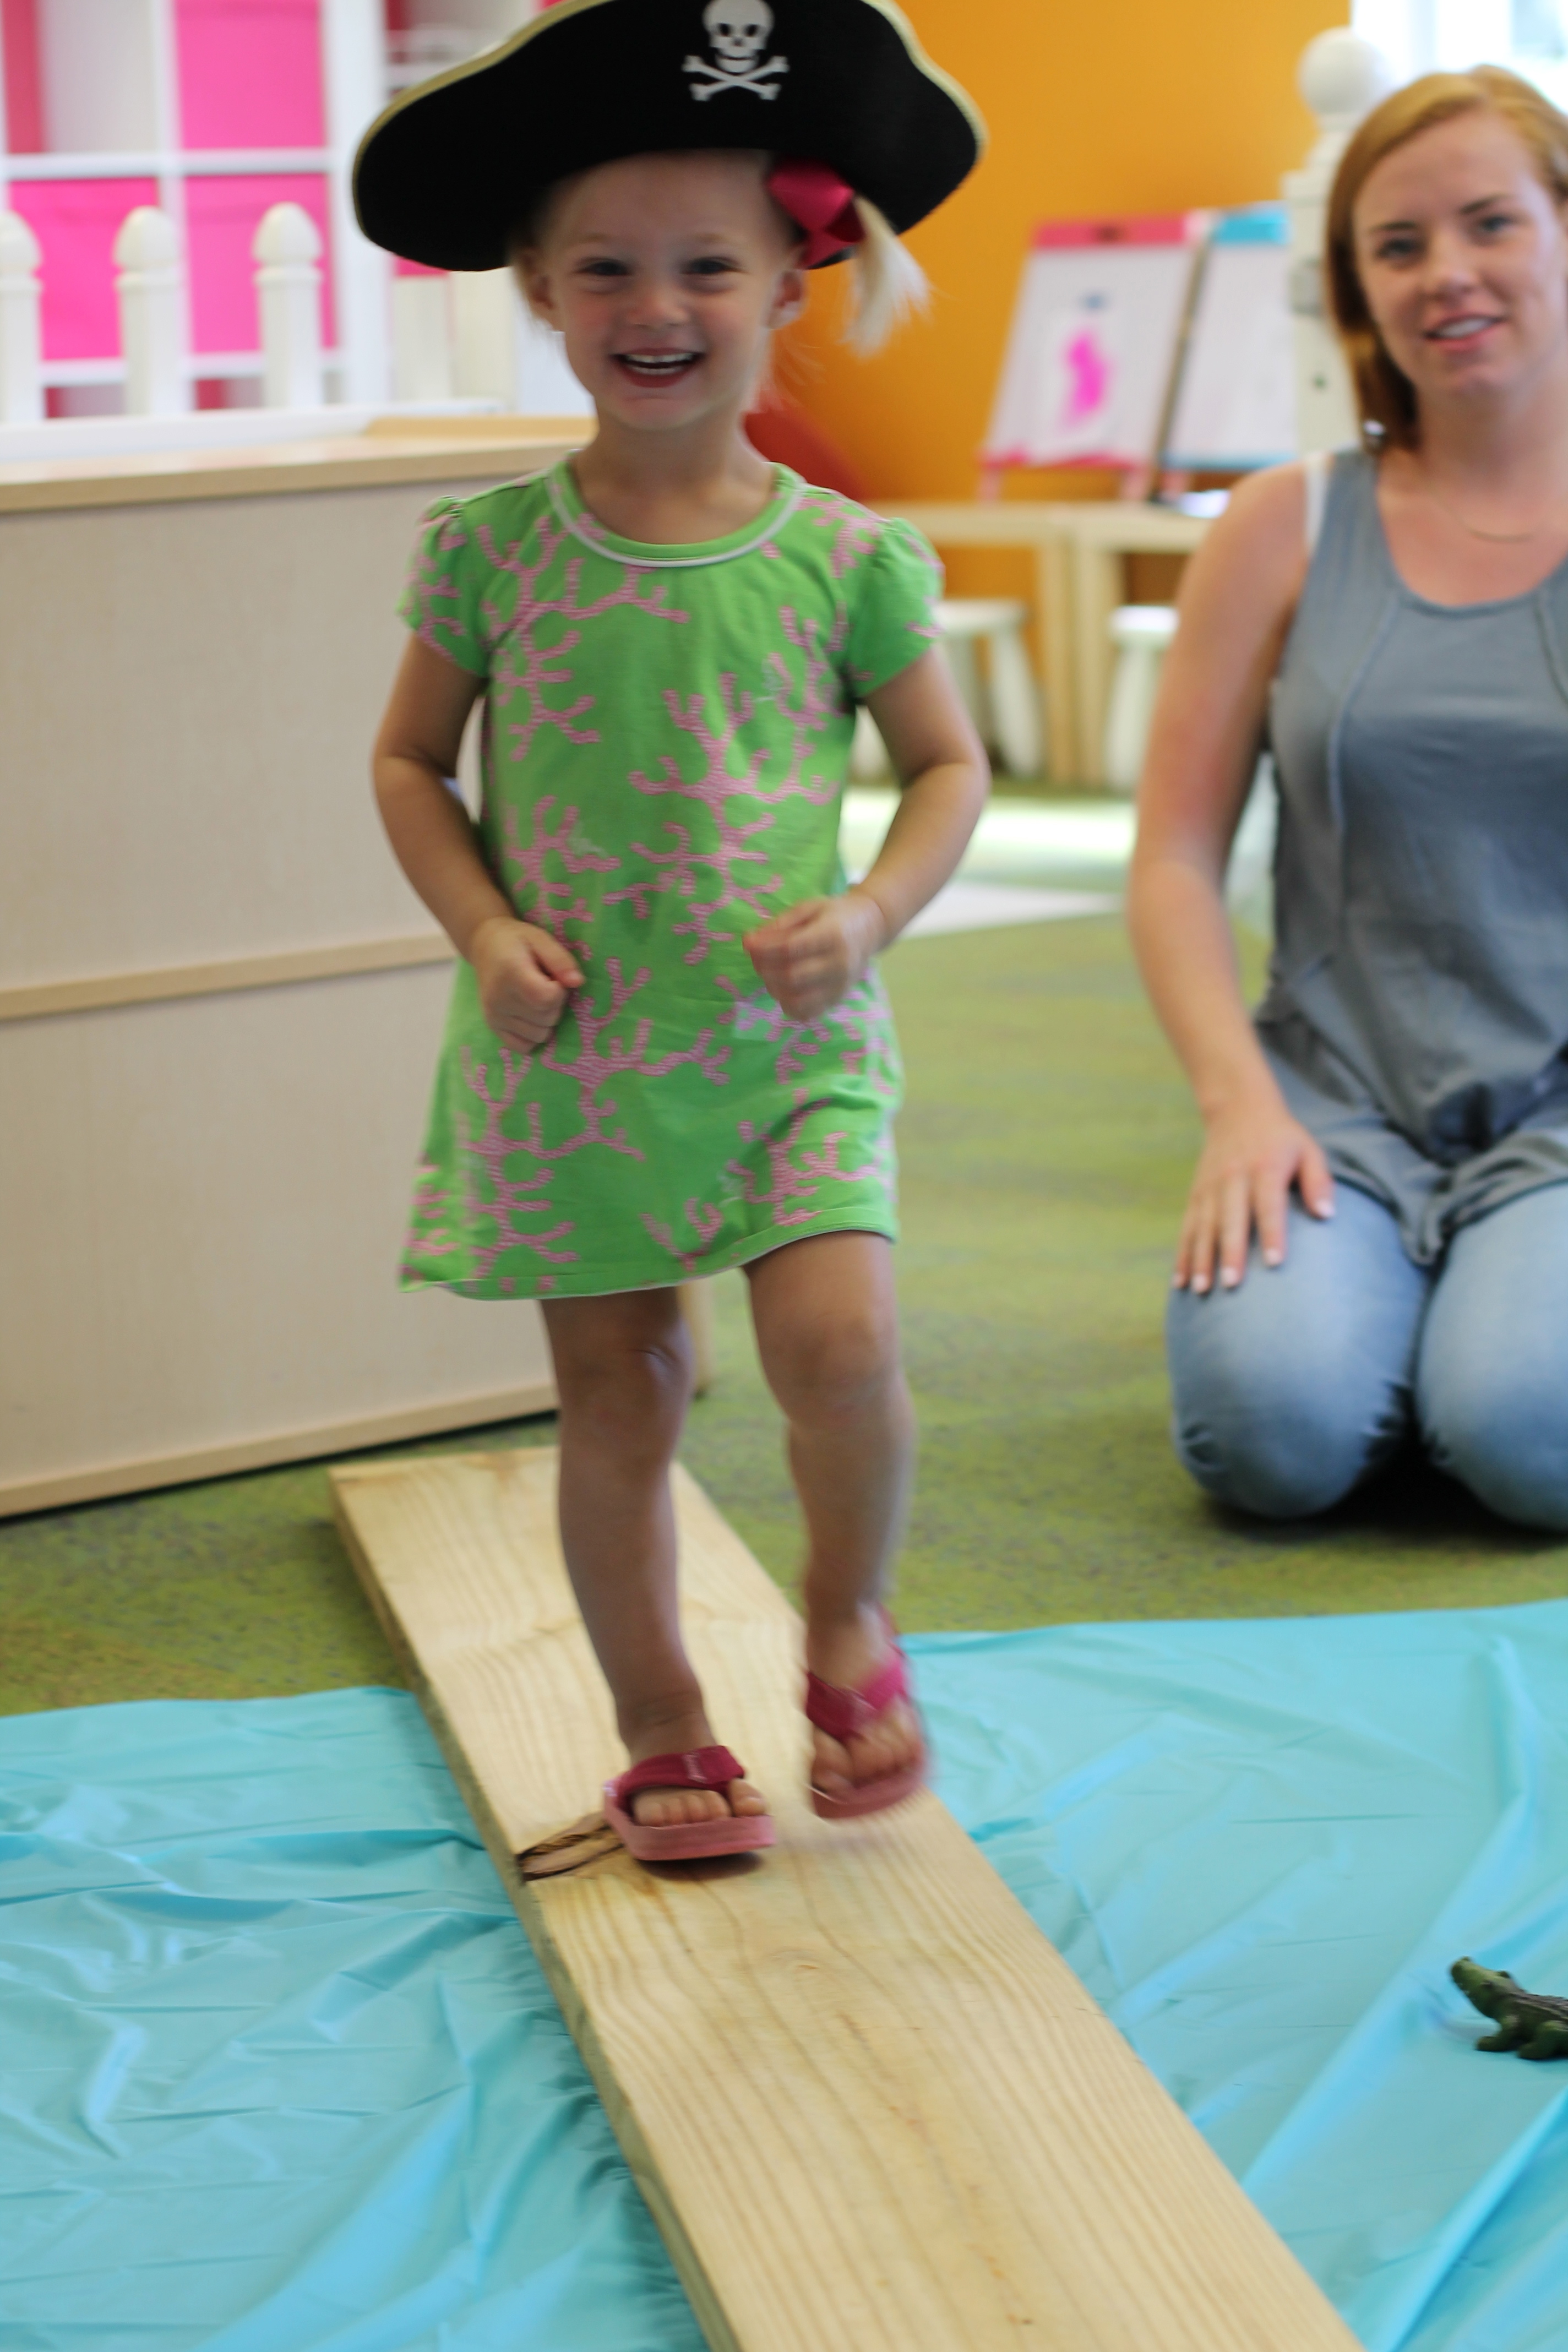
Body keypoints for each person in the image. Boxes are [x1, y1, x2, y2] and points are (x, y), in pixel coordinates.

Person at [357, 0, 989, 1859]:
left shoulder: (847, 560)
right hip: (577, 1058)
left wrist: (872, 911)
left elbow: (948, 770)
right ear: (541, 291)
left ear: (790, 279)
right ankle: (658, 1724)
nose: (659, 305)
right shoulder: (490, 552)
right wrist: (482, 929)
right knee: (622, 1390)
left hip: (793, 1047)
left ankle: (848, 1621)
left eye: (707, 264)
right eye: (608, 267)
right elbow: (408, 764)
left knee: (842, 1347)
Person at [1128, 66, 1568, 1531]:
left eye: (1491, 222)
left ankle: (1486, 1340)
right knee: (1269, 1438)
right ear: (1357, 290)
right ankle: (1419, 1323)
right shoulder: (1282, 524)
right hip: (1331, 1107)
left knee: (1533, 1439)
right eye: (1398, 245)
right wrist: (1238, 1110)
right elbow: (1173, 859)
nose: (1448, 272)